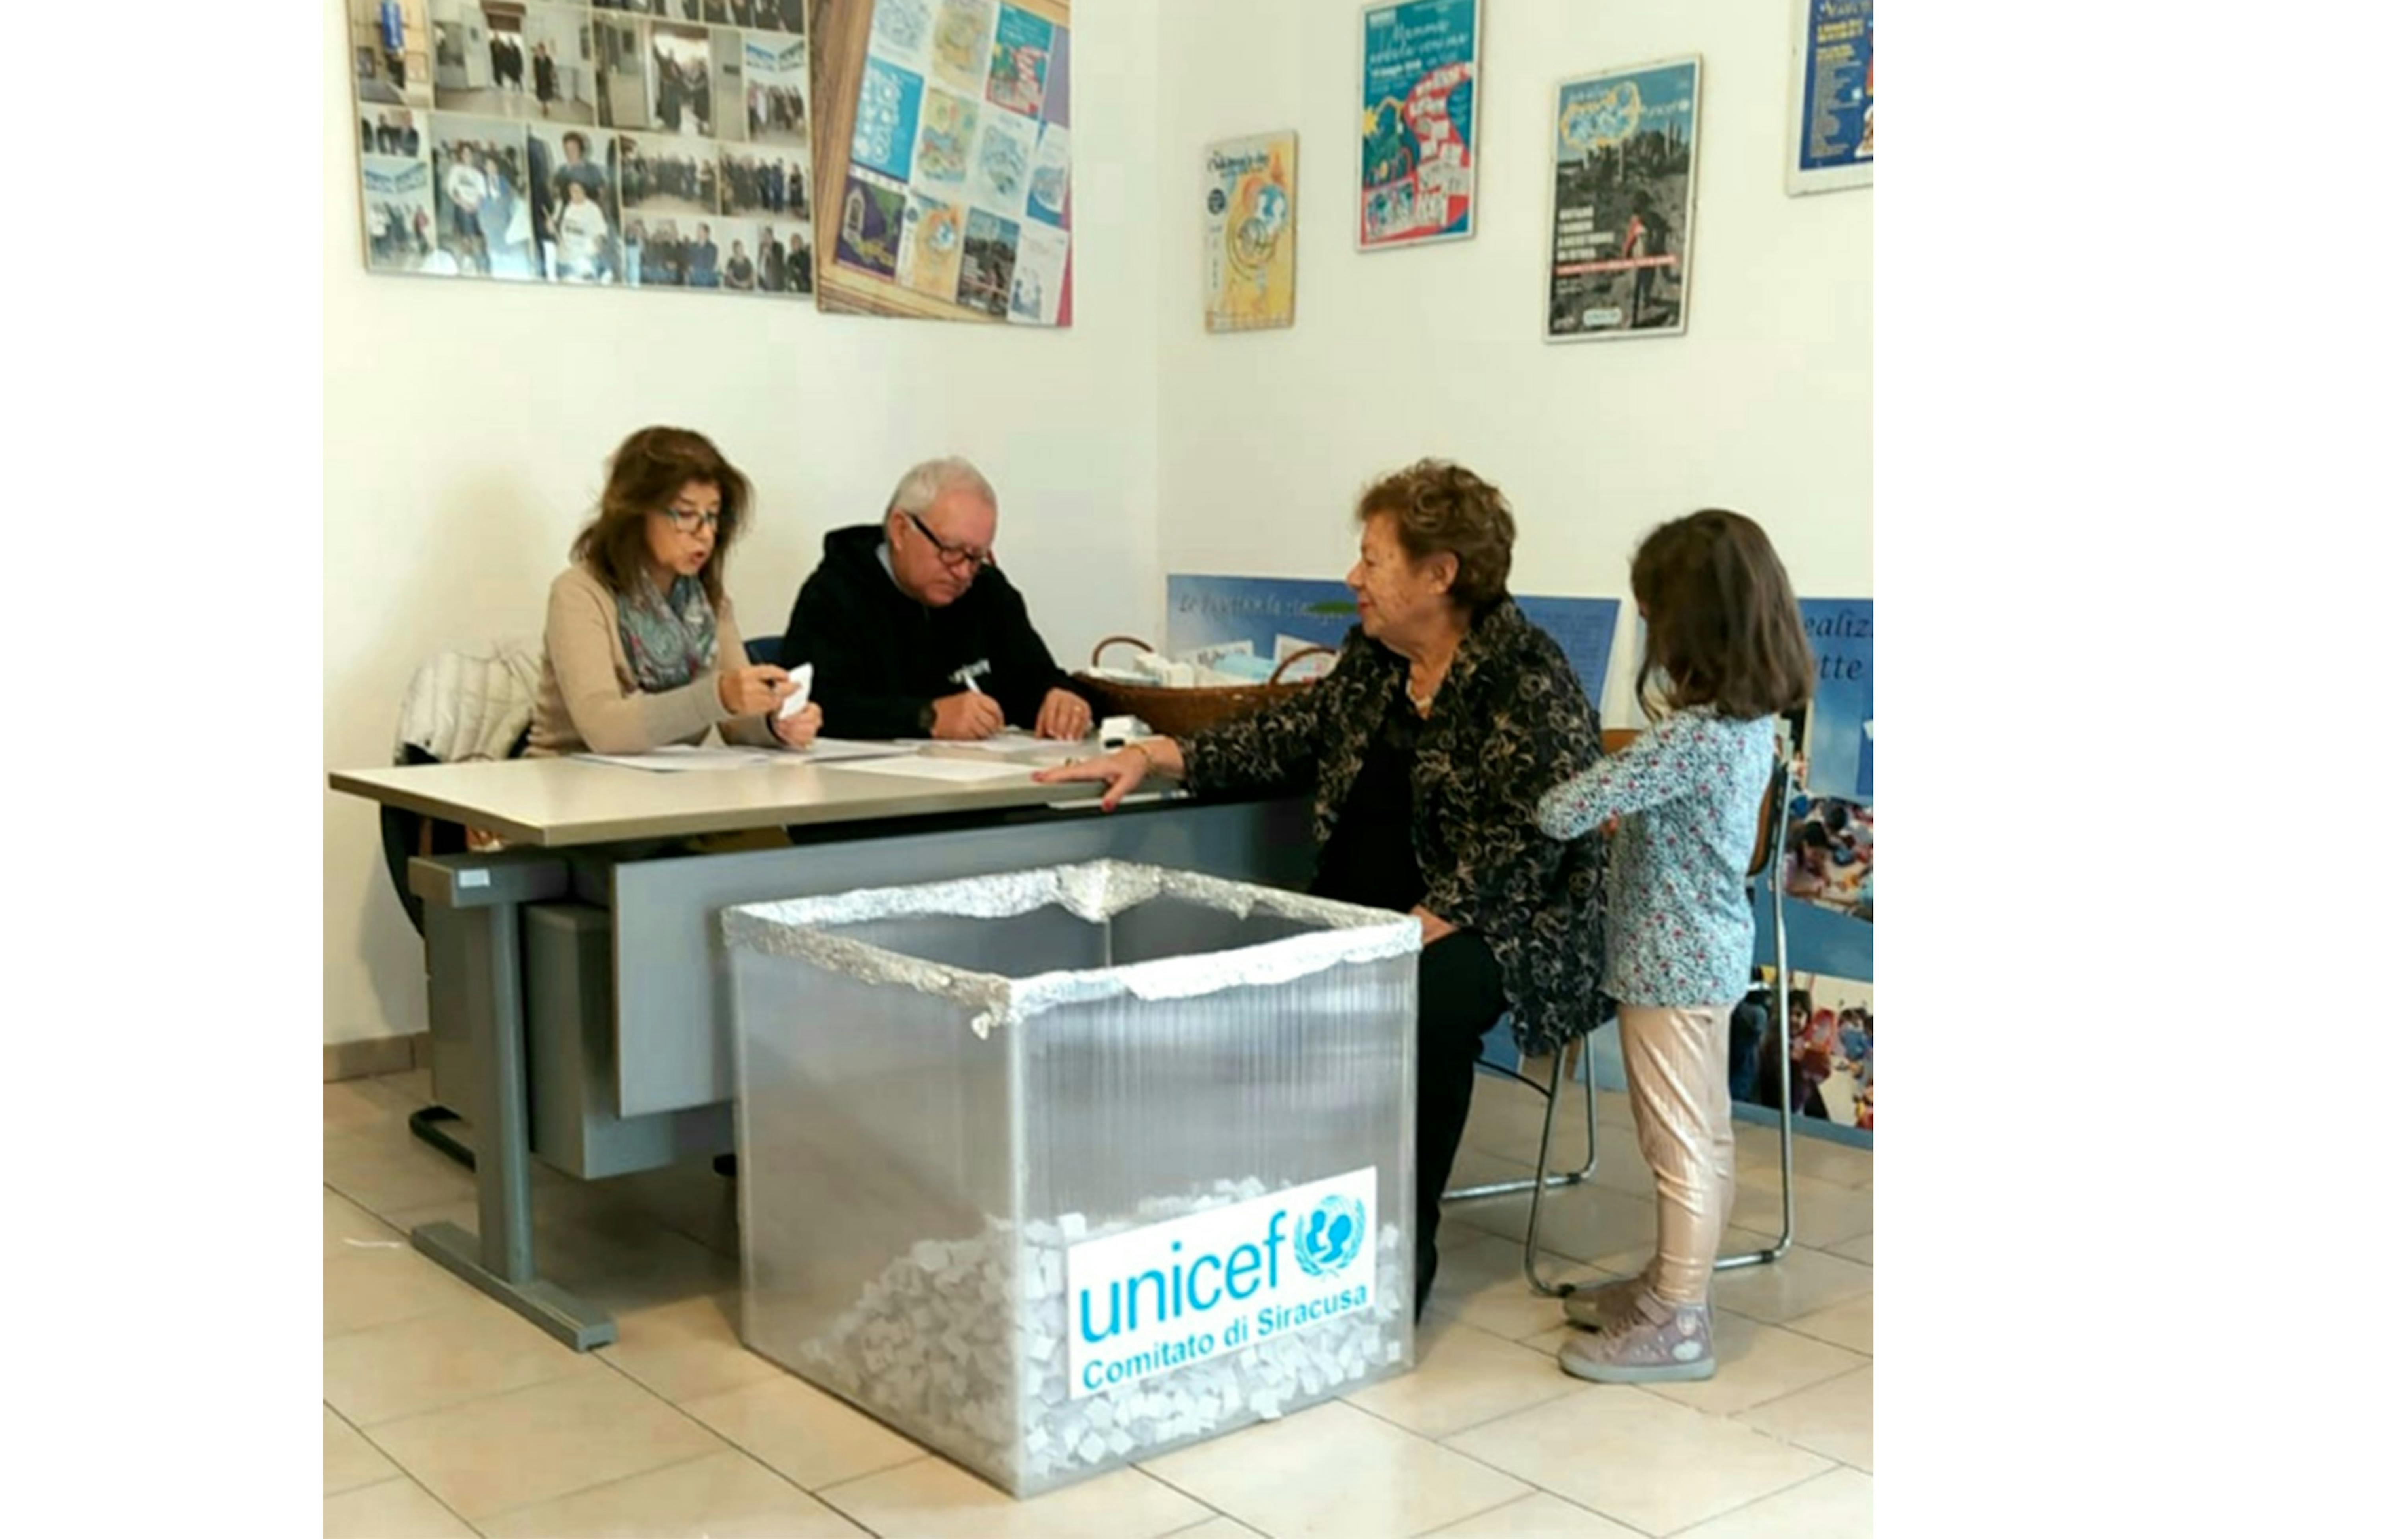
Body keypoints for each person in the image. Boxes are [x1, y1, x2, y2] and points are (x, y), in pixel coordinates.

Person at [1036, 460, 1606, 1318]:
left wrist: (1423, 924)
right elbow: (1289, 733)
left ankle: (1392, 1258)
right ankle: (1257, 1228)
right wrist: (1158, 753)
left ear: (1439, 574)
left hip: (1505, 926)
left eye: (1373, 560)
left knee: (1423, 1000)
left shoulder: (1526, 674)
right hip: (1371, 913)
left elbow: (1535, 833)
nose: (1354, 579)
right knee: (1243, 971)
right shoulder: (1375, 662)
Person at [1533, 509, 1813, 1385]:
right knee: (1707, 1137)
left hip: (1668, 965)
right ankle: (1668, 1288)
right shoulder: (1753, 728)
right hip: (1706, 955)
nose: (1647, 628)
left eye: (1653, 613)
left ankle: (1679, 1321)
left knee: (1677, 1145)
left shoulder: (1691, 739)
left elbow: (1561, 810)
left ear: (1690, 625)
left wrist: (1593, 787)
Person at [525, 427, 818, 759]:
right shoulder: (580, 593)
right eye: (687, 514)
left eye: (713, 516)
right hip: (565, 781)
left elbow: (735, 723)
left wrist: (775, 721)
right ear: (635, 514)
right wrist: (718, 696)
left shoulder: (708, 601)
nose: (705, 533)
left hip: (666, 785)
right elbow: (605, 730)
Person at [783, 457, 1095, 743]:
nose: (963, 572)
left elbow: (1031, 676)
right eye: (951, 550)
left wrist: (1060, 698)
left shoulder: (987, 590)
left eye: (976, 557)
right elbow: (816, 705)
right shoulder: (833, 593)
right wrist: (927, 717)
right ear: (901, 530)